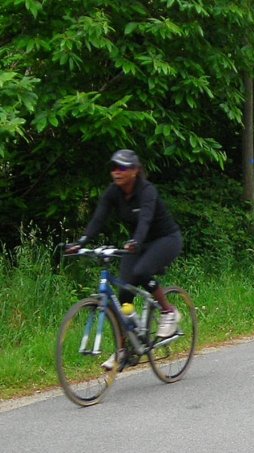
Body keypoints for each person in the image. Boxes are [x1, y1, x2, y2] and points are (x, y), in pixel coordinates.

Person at [66, 149, 183, 370]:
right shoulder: (113, 192)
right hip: (137, 243)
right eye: (114, 168)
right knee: (124, 293)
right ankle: (123, 350)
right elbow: (98, 219)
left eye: (122, 168)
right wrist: (80, 243)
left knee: (141, 272)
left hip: (166, 239)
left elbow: (145, 219)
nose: (116, 172)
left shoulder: (146, 191)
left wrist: (136, 241)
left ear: (135, 171)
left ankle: (169, 312)